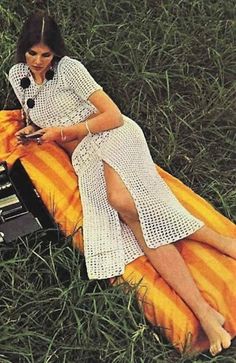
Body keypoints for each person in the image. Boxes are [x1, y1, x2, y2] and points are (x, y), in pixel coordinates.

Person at [8, 11, 236, 356]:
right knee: (138, 216)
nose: (38, 62)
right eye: (32, 53)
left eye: (46, 54)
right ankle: (211, 288)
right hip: (84, 155)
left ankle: (207, 304)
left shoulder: (70, 69)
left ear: (56, 53)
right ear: (22, 50)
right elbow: (31, 113)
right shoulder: (17, 74)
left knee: (122, 202)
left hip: (112, 135)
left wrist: (64, 133)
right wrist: (31, 131)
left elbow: (113, 115)